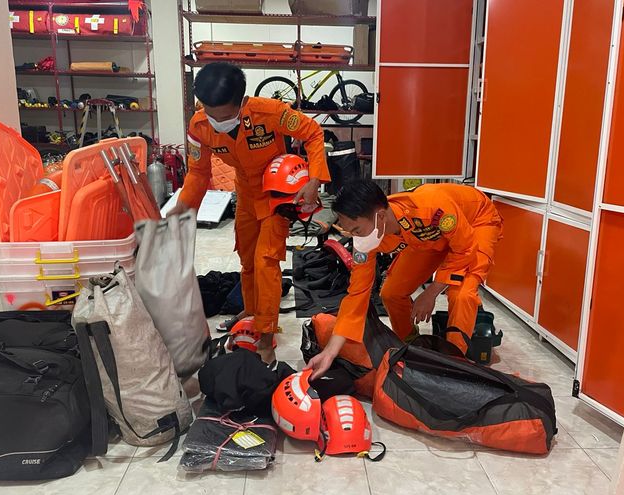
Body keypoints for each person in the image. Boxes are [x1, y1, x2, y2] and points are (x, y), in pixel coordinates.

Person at [170, 62, 330, 362]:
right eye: (210, 113)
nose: (218, 122)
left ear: (242, 102)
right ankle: (252, 309)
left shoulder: (270, 112)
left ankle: (267, 337)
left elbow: (313, 132)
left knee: (266, 261)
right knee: (246, 257)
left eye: (226, 116)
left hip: (277, 193)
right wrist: (182, 209)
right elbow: (198, 173)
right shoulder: (199, 126)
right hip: (244, 192)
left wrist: (314, 179)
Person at [306, 180, 503, 378]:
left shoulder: (432, 208)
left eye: (357, 231)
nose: (356, 239)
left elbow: (464, 250)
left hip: (475, 223)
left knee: (461, 295)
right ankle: (410, 344)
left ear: (380, 216)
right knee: (391, 293)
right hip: (429, 239)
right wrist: (330, 352)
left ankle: (452, 362)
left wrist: (431, 292)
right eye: (351, 232)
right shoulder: (370, 234)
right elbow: (357, 293)